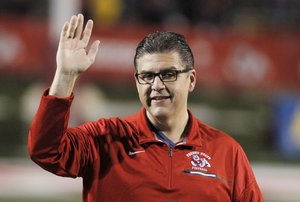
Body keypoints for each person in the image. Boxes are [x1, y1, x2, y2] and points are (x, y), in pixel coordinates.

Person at [28, 13, 263, 202]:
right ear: (136, 81)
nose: (156, 85)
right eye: (147, 76)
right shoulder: (105, 139)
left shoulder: (227, 152)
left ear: (191, 80)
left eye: (168, 74)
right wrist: (65, 76)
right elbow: (45, 151)